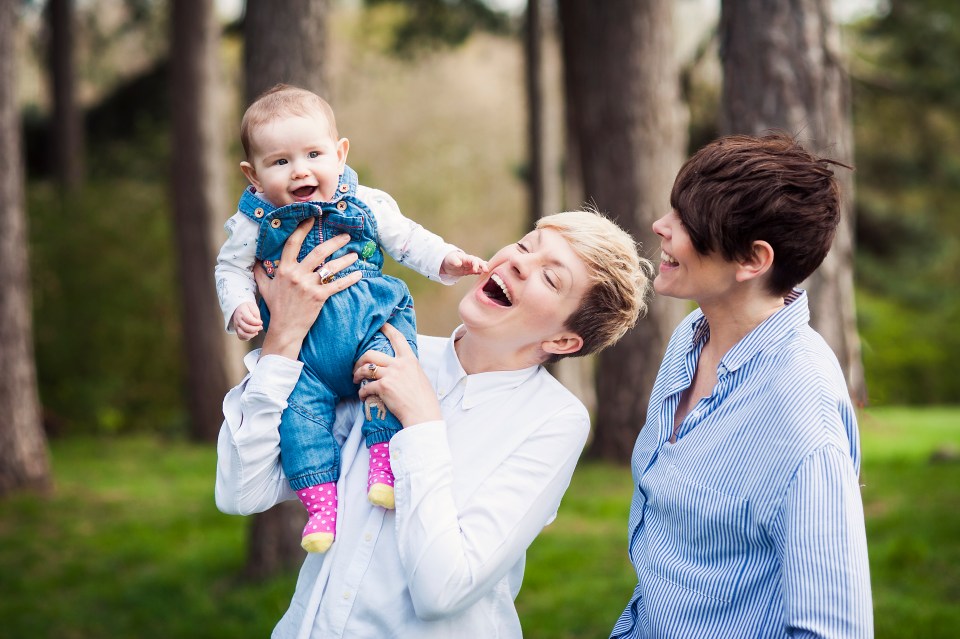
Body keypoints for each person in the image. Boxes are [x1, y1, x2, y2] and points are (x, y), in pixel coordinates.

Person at [215, 208, 654, 637]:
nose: (518, 262)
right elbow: (243, 491)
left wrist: (422, 420)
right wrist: (284, 339)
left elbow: (442, 591)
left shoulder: (555, 420)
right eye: (525, 245)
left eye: (550, 277)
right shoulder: (383, 346)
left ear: (561, 340)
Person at [610, 133, 873, 638]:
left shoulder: (802, 418)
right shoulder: (692, 336)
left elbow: (837, 630)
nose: (660, 227)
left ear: (753, 260)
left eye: (686, 220)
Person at [214, 84, 486, 553]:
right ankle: (321, 505)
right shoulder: (251, 224)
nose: (300, 170)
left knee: (388, 372)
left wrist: (446, 260)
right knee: (299, 419)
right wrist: (239, 306)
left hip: (367, 324)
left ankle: (383, 459)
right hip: (305, 357)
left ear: (340, 154)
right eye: (279, 162)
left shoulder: (365, 201)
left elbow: (405, 239)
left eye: (314, 154)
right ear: (252, 175)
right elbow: (231, 268)